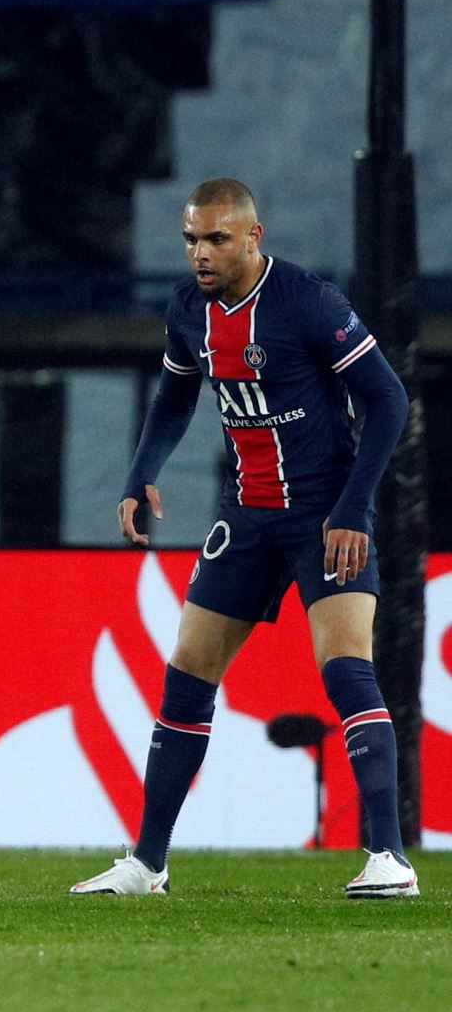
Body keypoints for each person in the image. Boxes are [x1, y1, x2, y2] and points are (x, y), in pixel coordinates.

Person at [71, 178, 415, 898]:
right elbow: (174, 392)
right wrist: (141, 472)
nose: (200, 253)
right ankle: (147, 864)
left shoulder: (308, 303)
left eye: (216, 239)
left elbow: (387, 398)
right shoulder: (187, 310)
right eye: (192, 239)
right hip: (249, 514)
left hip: (326, 510)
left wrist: (354, 508)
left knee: (346, 665)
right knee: (187, 671)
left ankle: (389, 859)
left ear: (254, 238)